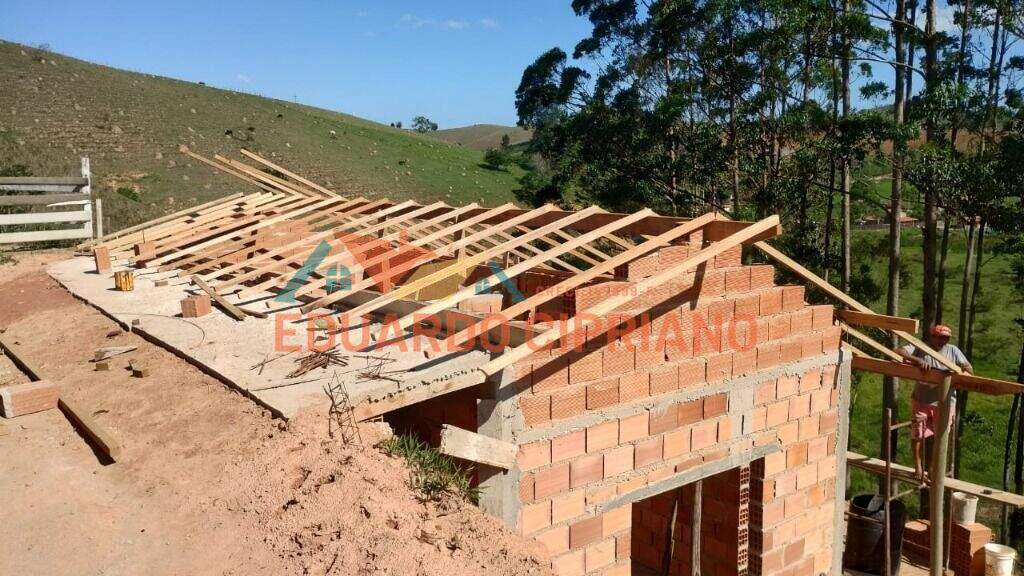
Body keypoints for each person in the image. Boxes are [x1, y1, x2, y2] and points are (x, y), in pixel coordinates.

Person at [897, 324, 973, 485]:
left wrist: (961, 370)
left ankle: (932, 469)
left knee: (941, 437)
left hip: (945, 402)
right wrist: (916, 360)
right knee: (917, 434)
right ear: (932, 336)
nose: (943, 341)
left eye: (946, 338)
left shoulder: (953, 350)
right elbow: (899, 351)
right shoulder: (920, 347)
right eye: (940, 337)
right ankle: (918, 467)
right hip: (922, 399)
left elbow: (969, 370)